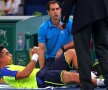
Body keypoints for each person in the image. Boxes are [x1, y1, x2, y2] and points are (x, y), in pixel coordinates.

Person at [0, 46, 105, 88]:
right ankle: (102, 82)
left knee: (71, 53)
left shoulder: (11, 67)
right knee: (72, 76)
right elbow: (25, 74)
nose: (11, 54)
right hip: (42, 80)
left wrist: (32, 57)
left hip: (44, 71)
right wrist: (35, 56)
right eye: (7, 54)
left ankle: (91, 75)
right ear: (0, 59)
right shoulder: (4, 71)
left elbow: (28, 72)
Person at [60, 0, 108, 90]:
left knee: (82, 52)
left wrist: (64, 19)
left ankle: (87, 85)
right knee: (103, 50)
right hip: (102, 15)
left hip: (83, 17)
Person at [38, 0, 74, 68]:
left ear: (60, 10)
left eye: (57, 9)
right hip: (52, 59)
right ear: (48, 12)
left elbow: (77, 41)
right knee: (47, 73)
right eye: (52, 9)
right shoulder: (43, 28)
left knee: (74, 54)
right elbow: (41, 50)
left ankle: (88, 75)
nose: (55, 12)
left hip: (69, 57)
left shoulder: (68, 22)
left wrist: (62, 48)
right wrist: (41, 69)